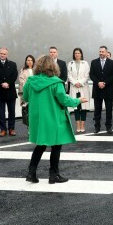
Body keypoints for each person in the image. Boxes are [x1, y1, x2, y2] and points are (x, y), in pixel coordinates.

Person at [23, 55, 87, 184]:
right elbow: (63, 99)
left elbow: (26, 97)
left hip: (38, 119)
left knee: (40, 145)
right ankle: (54, 175)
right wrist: (77, 100)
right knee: (56, 146)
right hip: (53, 117)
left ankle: (31, 173)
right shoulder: (56, 82)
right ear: (53, 66)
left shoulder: (30, 81)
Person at [0, 47, 18, 137]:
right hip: (0, 91)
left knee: (12, 111)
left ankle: (11, 128)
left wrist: (8, 83)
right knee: (1, 112)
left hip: (10, 91)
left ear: (7, 55)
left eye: (4, 54)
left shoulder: (13, 64)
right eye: (1, 53)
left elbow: (15, 75)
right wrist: (2, 83)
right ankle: (3, 129)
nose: (2, 55)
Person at [89, 46, 113, 134]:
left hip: (108, 89)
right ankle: (97, 127)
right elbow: (92, 74)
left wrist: (104, 83)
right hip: (97, 89)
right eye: (100, 51)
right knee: (97, 110)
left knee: (109, 110)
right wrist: (98, 82)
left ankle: (108, 127)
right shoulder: (94, 62)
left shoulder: (112, 63)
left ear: (106, 52)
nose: (101, 53)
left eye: (103, 51)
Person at [67, 48, 91, 133]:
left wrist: (80, 83)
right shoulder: (70, 64)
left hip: (83, 87)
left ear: (81, 54)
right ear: (74, 54)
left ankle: (82, 125)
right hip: (74, 87)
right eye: (75, 53)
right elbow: (69, 76)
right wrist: (75, 83)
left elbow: (87, 75)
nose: (77, 54)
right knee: (76, 107)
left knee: (83, 107)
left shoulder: (85, 63)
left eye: (78, 53)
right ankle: (77, 125)